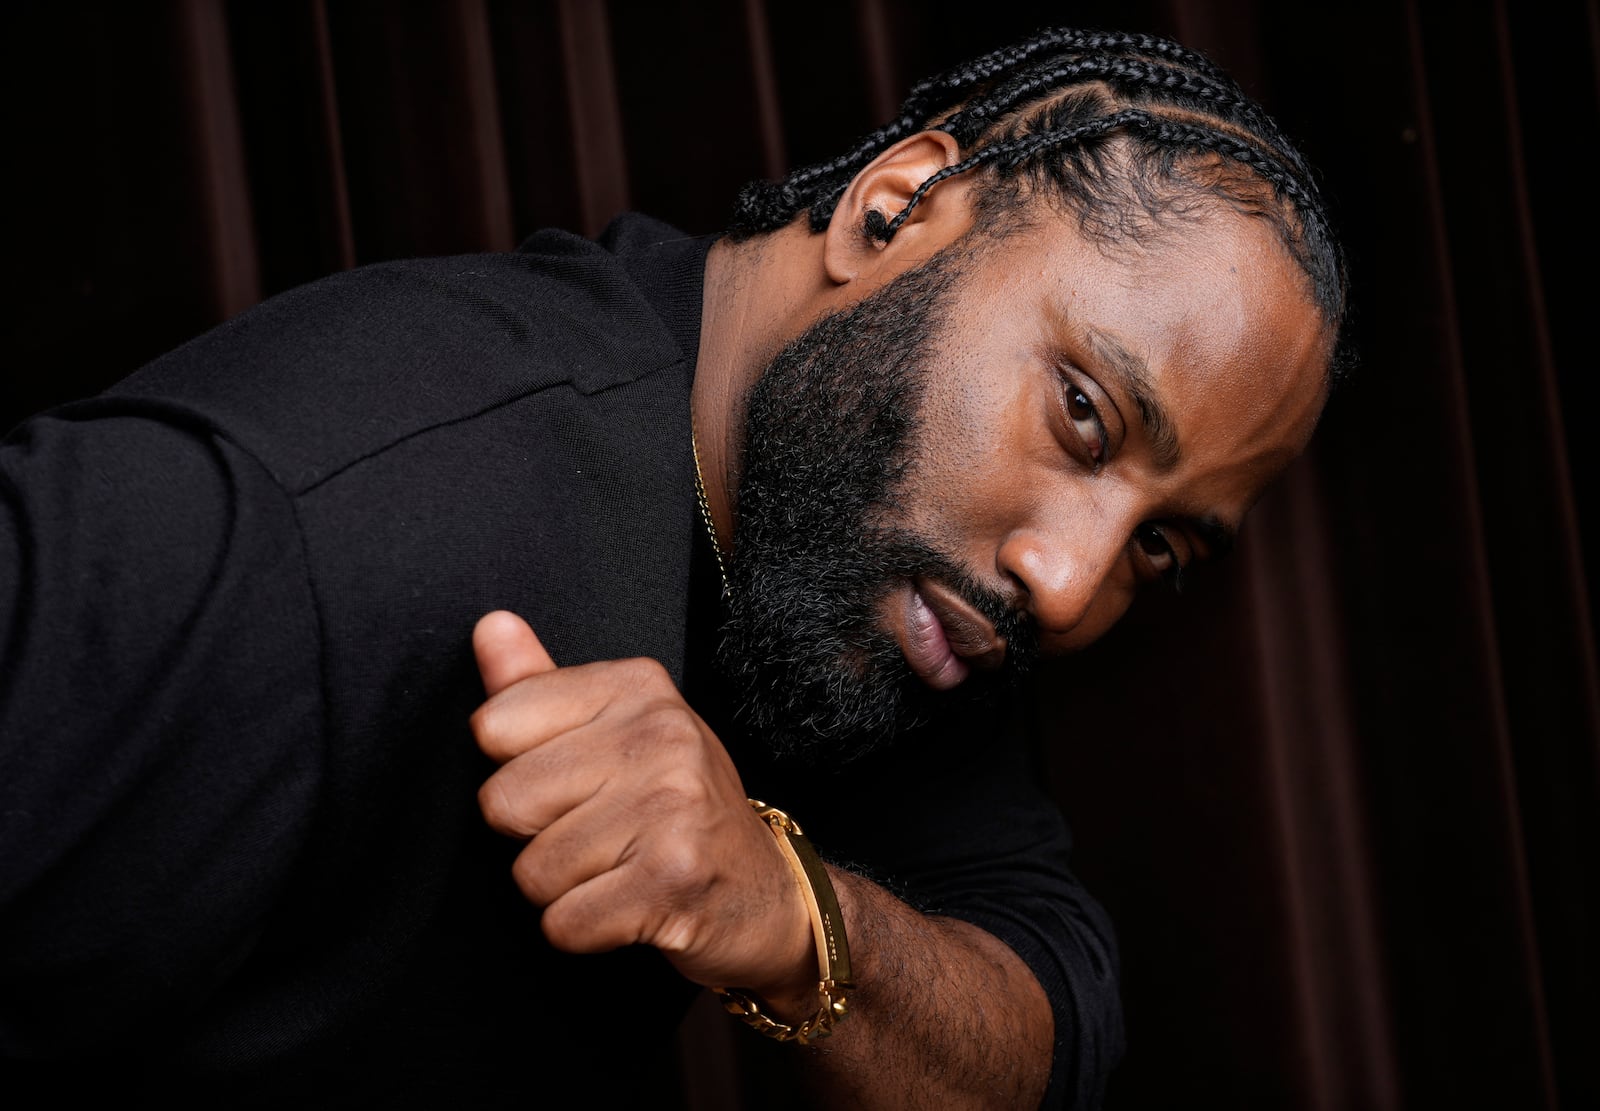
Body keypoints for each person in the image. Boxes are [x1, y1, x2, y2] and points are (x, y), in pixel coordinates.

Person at [0, 25, 1347, 1111]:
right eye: (1086, 417)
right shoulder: (337, 507)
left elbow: (1052, 1024)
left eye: (1157, 546)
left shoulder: (874, 560)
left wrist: (790, 908)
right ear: (892, 214)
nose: (1071, 586)